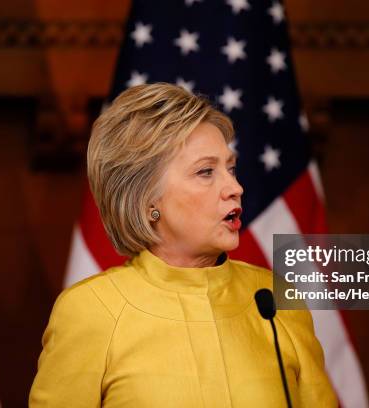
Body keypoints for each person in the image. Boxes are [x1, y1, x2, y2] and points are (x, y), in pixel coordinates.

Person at [29, 83, 337, 407]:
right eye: (206, 172)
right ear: (147, 199)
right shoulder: (91, 310)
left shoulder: (274, 300)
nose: (235, 187)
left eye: (231, 169)